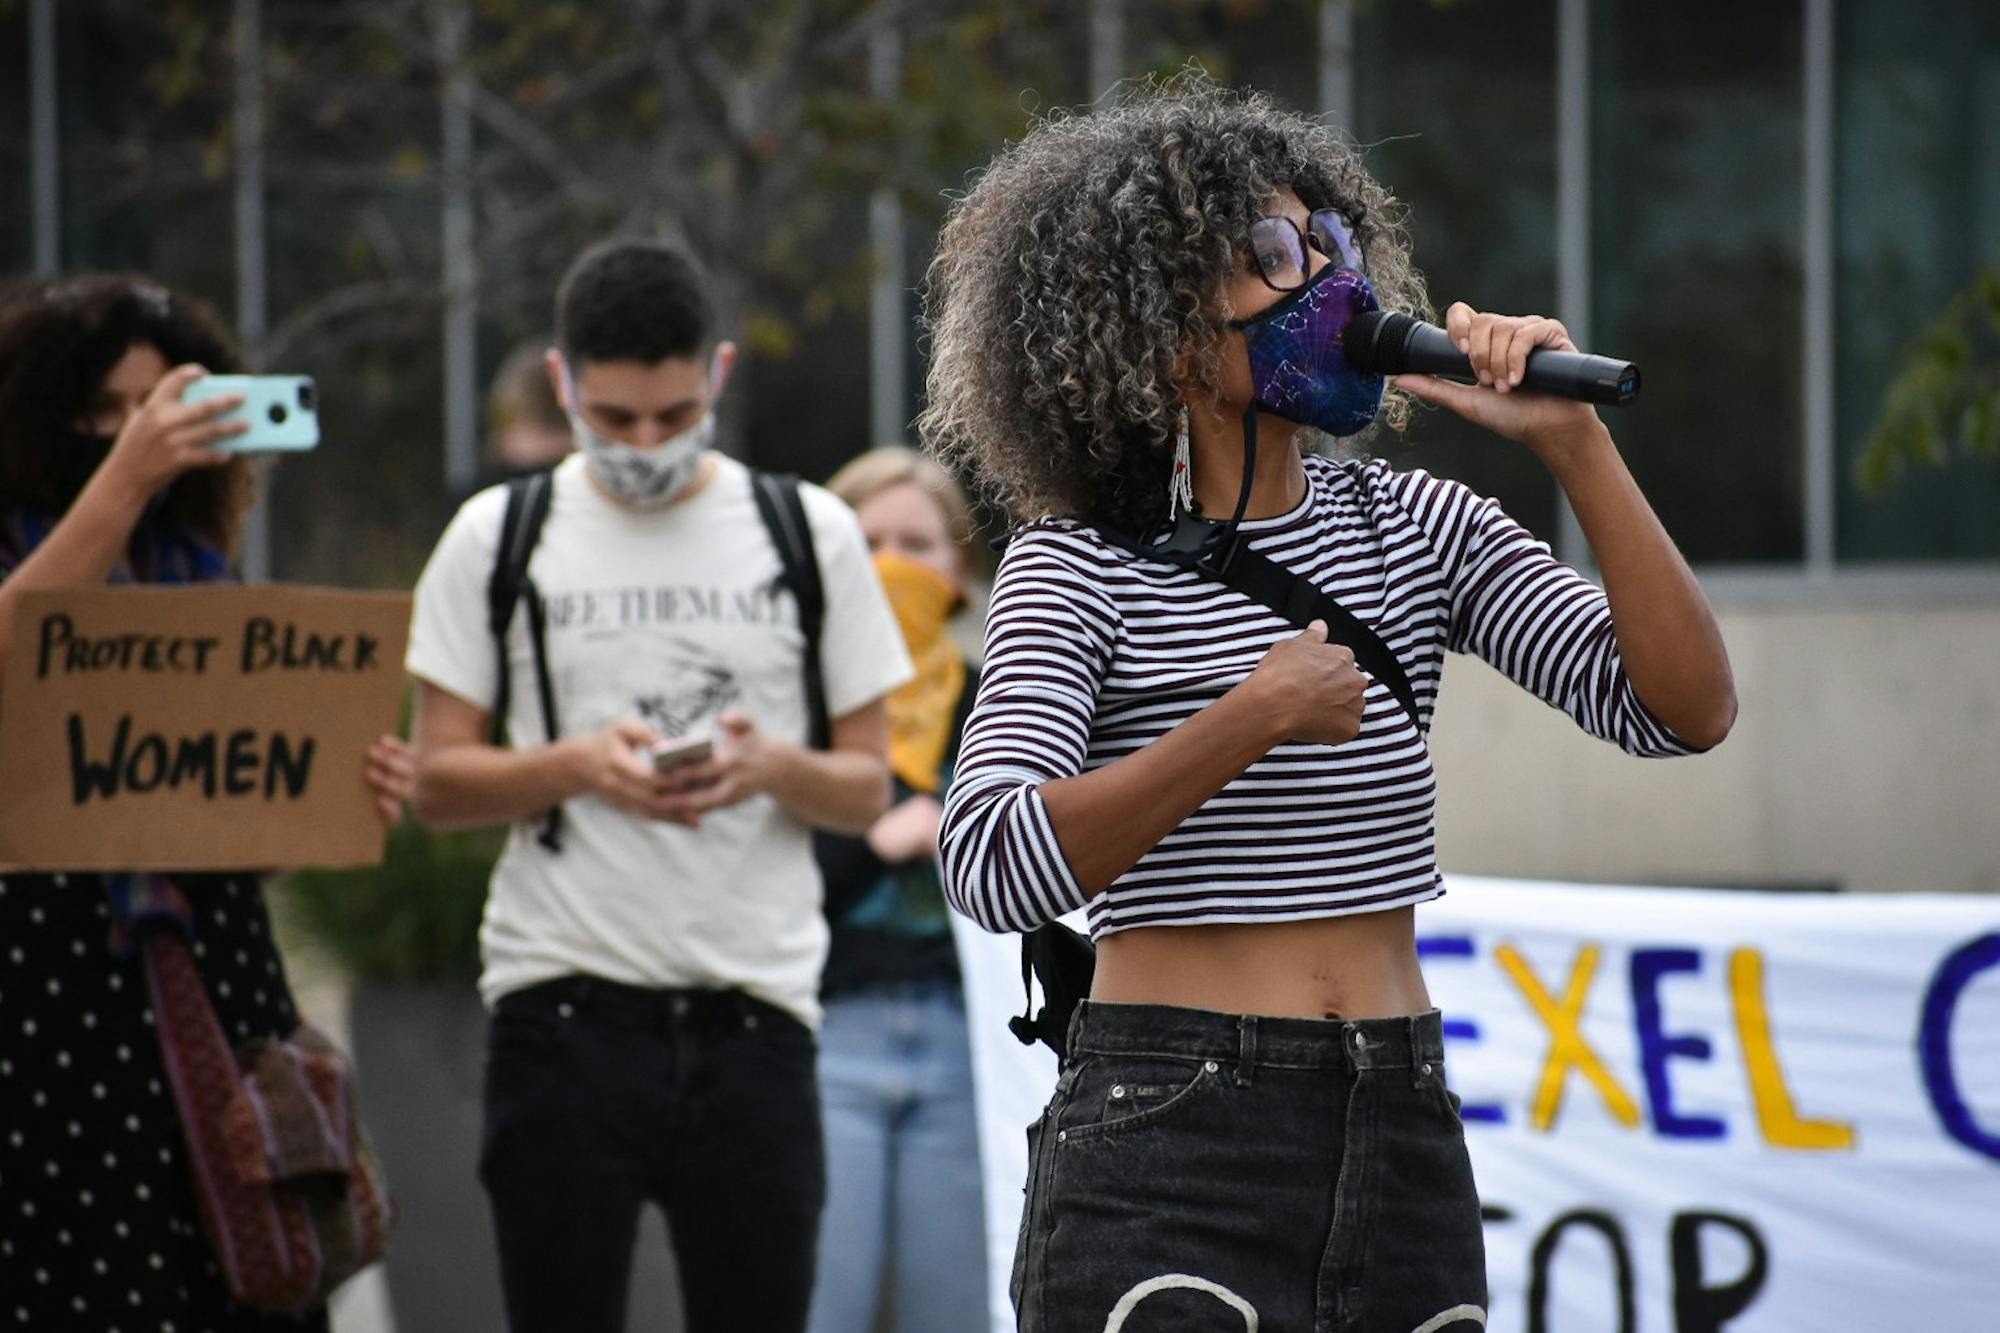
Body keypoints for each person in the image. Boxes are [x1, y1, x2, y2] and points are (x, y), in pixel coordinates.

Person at [923, 77, 1736, 1331]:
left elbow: (1680, 708)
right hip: (1168, 1120)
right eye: (1265, 255)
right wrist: (1242, 718)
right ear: (1162, 335)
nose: (1321, 276)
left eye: (1329, 240)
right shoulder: (1076, 561)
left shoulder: (1417, 524)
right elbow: (988, 862)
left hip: (1398, 1110)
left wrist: (1577, 452)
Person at [403, 237, 913, 1333]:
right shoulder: (499, 535)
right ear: (562, 384)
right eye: (614, 418)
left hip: (755, 1023)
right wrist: (579, 765)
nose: (644, 445)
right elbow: (436, 781)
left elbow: (867, 789)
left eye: (674, 416)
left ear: (717, 377)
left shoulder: (806, 530)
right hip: (562, 1009)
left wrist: (767, 764)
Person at [0, 274, 412, 1331]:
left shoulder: (201, 580)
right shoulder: (29, 553)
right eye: (107, 412)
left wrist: (329, 792)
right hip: (56, 1005)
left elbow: (217, 822)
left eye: (164, 409)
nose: (139, 435)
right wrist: (122, 483)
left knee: (241, 1264)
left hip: (220, 991)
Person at [808, 446, 988, 1333]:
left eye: (916, 541)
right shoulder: (793, 709)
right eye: (867, 539)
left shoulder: (995, 705)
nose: (892, 562)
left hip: (966, 1045)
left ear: (958, 565)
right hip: (824, 1033)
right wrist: (882, 841)